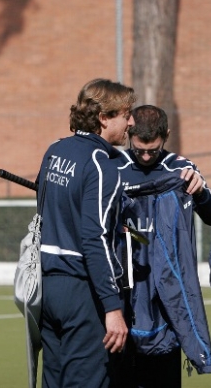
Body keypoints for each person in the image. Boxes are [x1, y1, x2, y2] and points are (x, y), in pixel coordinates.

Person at [115, 105, 211, 387]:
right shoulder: (113, 166)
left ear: (166, 135)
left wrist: (199, 192)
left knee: (163, 377)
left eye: (153, 149)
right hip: (124, 292)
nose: (147, 157)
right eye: (140, 150)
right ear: (129, 134)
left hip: (168, 296)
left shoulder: (181, 168)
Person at [36, 78, 135, 388]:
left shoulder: (55, 150)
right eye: (125, 113)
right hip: (81, 292)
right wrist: (113, 307)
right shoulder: (102, 164)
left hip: (46, 289)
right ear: (103, 118)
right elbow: (95, 238)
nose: (130, 122)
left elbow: (43, 210)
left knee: (55, 380)